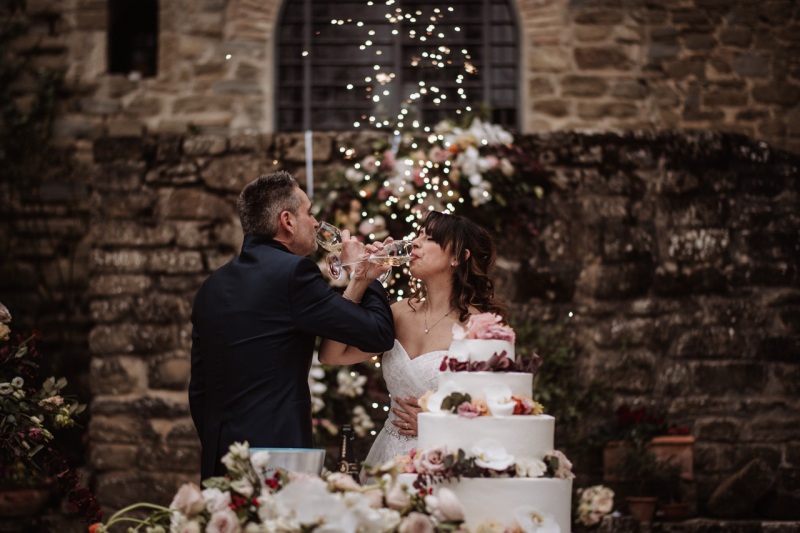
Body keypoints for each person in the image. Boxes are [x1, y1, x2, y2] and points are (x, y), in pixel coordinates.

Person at [189, 170, 395, 480]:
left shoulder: (212, 286)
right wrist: (363, 271)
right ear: (287, 221)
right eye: (309, 213)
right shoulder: (294, 273)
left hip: (221, 454)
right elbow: (377, 333)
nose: (314, 222)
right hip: (278, 455)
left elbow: (199, 388)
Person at [319, 210, 507, 473]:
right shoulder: (397, 313)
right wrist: (360, 279)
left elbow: (501, 416)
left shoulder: (482, 328)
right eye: (418, 235)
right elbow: (331, 354)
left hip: (447, 463)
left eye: (429, 238)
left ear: (458, 257)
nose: (416, 242)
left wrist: (437, 425)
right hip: (387, 460)